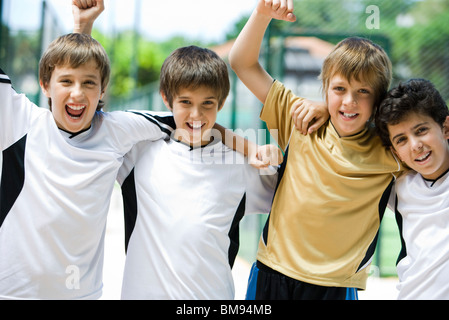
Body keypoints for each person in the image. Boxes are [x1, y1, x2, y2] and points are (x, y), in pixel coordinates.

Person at [229, 0, 403, 300]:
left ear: (378, 100)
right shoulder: (299, 118)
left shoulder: (391, 148)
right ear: (325, 88)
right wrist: (261, 15)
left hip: (336, 286)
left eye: (363, 92)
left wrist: (327, 106)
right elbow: (242, 63)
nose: (349, 101)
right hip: (274, 273)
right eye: (339, 90)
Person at [116, 45, 280, 300]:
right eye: (185, 102)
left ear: (222, 102)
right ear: (165, 98)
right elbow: (95, 119)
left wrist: (270, 155)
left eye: (207, 103)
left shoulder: (242, 165)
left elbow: (302, 194)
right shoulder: (137, 152)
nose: (196, 114)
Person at [376, 79, 449, 300]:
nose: (415, 145)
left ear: (445, 128)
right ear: (395, 152)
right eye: (401, 140)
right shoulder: (400, 185)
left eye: (422, 130)